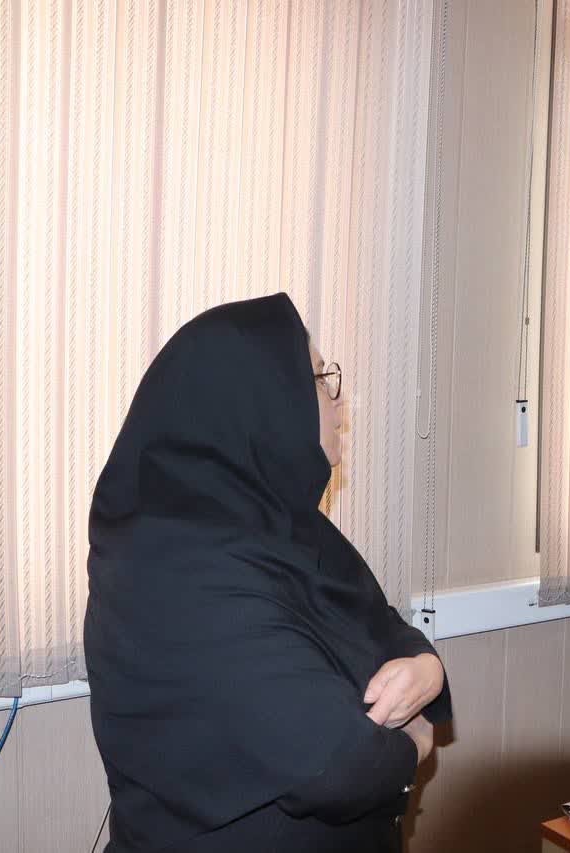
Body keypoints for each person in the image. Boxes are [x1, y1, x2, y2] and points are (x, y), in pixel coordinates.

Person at [85, 293, 451, 852]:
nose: (339, 397)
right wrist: (417, 741)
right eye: (319, 378)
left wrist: (427, 668)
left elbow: (376, 622)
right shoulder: (178, 570)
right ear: (262, 399)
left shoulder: (277, 524)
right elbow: (335, 763)